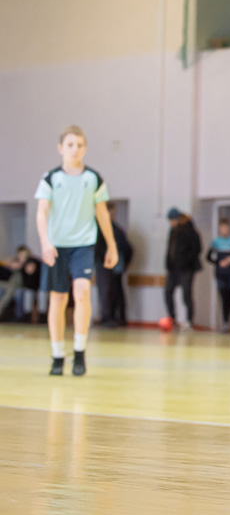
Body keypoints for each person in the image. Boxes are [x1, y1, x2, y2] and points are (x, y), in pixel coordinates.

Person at [35, 126, 118, 376]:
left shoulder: (93, 178)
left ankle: (79, 352)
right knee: (58, 299)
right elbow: (42, 212)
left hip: (83, 244)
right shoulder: (50, 178)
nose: (75, 149)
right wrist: (45, 242)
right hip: (57, 246)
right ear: (60, 148)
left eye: (80, 145)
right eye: (70, 145)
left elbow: (102, 214)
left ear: (85, 149)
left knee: (82, 291)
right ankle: (57, 355)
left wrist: (112, 245)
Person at [94, 201, 133, 327]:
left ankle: (113, 318)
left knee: (113, 292)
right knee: (108, 292)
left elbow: (128, 249)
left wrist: (124, 264)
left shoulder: (116, 230)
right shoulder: (98, 228)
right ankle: (109, 318)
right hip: (103, 264)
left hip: (113, 266)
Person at [164, 207, 201, 331]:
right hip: (173, 269)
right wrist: (168, 263)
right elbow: (170, 249)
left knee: (186, 294)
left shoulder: (189, 230)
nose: (171, 222)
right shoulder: (173, 231)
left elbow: (197, 249)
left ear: (178, 219)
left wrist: (185, 261)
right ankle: (172, 318)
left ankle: (189, 321)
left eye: (173, 220)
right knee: (168, 292)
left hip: (186, 269)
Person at [207, 219, 230, 333]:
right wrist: (219, 262)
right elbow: (208, 257)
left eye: (226, 228)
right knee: (222, 297)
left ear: (229, 229)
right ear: (219, 229)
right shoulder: (216, 242)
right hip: (220, 273)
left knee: (228, 297)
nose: (224, 230)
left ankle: (227, 322)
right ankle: (223, 321)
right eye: (222, 228)